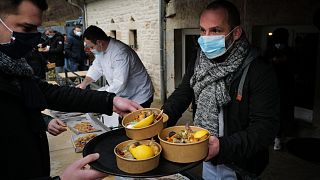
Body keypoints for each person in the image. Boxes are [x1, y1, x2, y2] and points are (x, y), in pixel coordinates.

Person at [0, 0, 142, 179]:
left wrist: (109, 101)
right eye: (27, 28)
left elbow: (50, 93)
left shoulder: (14, 66)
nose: (35, 37)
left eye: (37, 29)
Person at [162, 0, 280, 179]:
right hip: (205, 155)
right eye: (203, 30)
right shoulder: (199, 59)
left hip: (241, 164)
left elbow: (265, 128)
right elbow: (185, 90)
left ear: (236, 32)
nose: (206, 37)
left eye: (216, 30)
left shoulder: (258, 69)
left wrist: (222, 147)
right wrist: (161, 119)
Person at [78, 25, 154, 108]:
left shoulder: (120, 53)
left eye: (92, 47)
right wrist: (83, 84)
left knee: (133, 120)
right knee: (123, 119)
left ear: (100, 42)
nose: (91, 50)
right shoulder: (101, 50)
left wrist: (98, 97)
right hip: (125, 95)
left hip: (139, 96)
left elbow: (119, 83)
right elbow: (96, 68)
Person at [265, 28, 294, 150]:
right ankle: (269, 135)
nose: (279, 44)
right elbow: (263, 66)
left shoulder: (290, 52)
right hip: (270, 89)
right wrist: (273, 61)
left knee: (283, 113)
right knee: (269, 113)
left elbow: (295, 67)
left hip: (285, 89)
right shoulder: (269, 52)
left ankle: (278, 137)